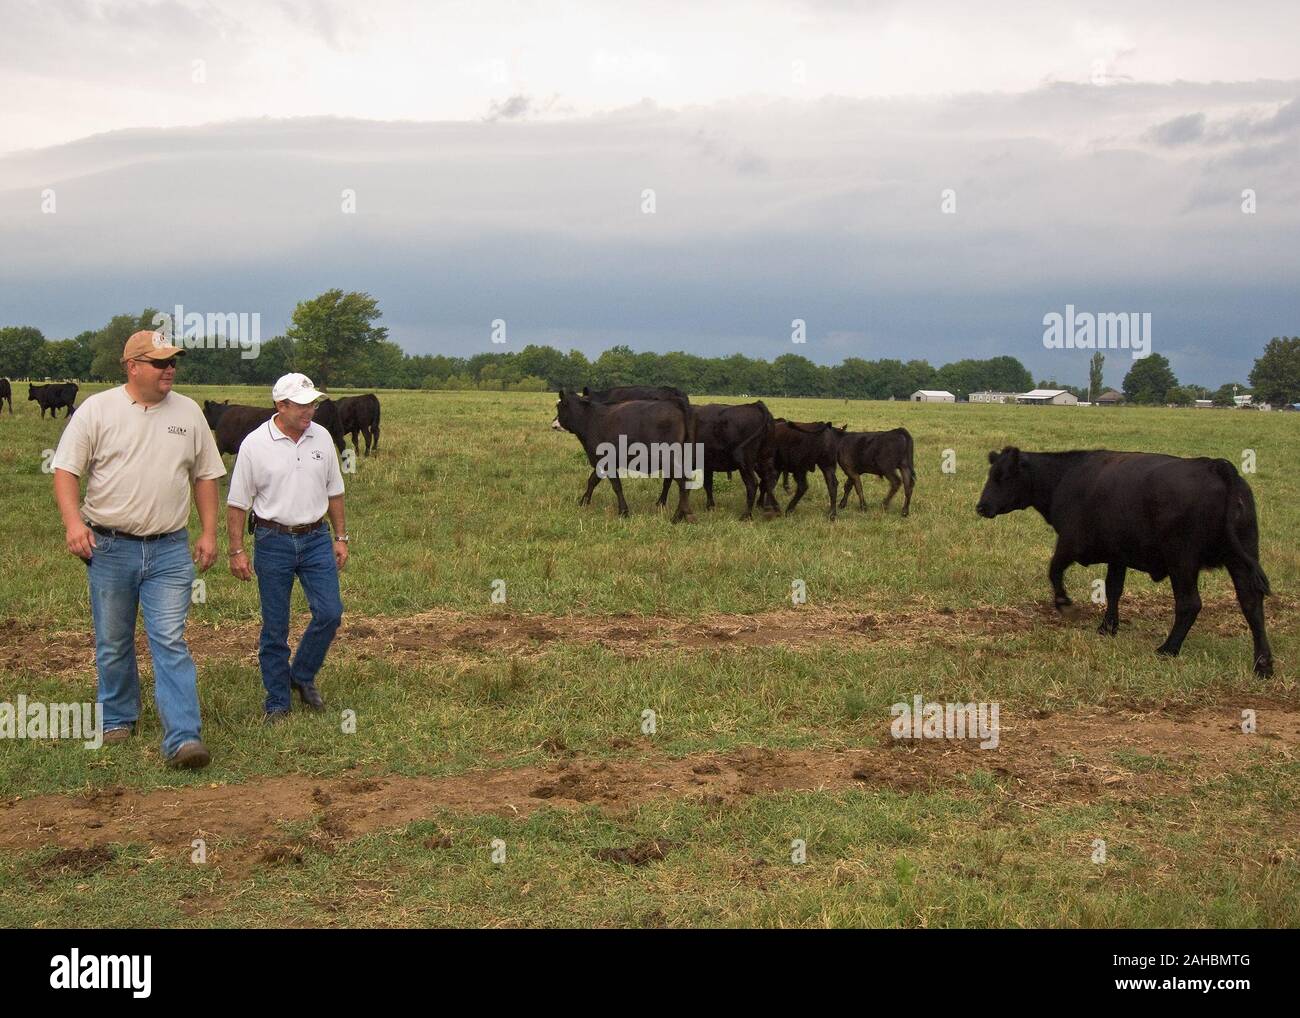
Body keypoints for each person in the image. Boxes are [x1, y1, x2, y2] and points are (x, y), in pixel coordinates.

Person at [52, 330, 224, 768]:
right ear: (132, 365)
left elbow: (205, 476)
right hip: (109, 547)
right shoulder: (97, 410)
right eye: (159, 362)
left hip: (169, 548)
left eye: (173, 363)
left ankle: (184, 738)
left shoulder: (188, 413)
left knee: (169, 639)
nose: (170, 369)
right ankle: (117, 717)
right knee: (113, 641)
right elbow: (66, 469)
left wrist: (208, 533)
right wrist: (74, 523)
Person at [226, 372, 348, 721]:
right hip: (272, 540)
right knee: (275, 626)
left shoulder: (322, 437)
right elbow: (237, 502)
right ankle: (277, 702)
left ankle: (302, 675)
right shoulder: (254, 444)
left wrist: (340, 537)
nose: (310, 410)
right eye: (303, 404)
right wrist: (236, 550)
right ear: (281, 405)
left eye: (313, 403)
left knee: (329, 612)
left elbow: (335, 491)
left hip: (315, 538)